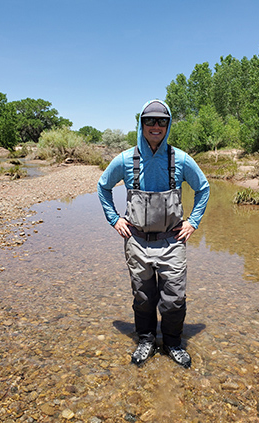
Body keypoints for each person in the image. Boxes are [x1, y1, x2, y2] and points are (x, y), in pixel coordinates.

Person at [97, 99, 209, 368]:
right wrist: (114, 220)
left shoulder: (180, 159)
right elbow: (103, 187)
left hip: (172, 241)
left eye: (162, 121)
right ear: (141, 124)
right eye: (150, 120)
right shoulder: (125, 159)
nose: (156, 126)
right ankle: (146, 340)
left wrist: (193, 222)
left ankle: (172, 343)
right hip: (136, 241)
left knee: (174, 298)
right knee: (143, 297)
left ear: (168, 124)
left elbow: (203, 188)